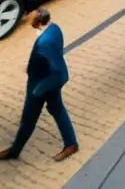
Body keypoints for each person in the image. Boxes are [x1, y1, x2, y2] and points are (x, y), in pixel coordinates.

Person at [0, 9, 79, 162]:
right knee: (57, 110)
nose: (29, 23)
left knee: (28, 119)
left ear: (37, 23)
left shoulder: (44, 43)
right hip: (46, 79)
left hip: (41, 84)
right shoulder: (54, 28)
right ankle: (71, 144)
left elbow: (58, 72)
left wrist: (39, 90)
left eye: (31, 21)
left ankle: (14, 151)